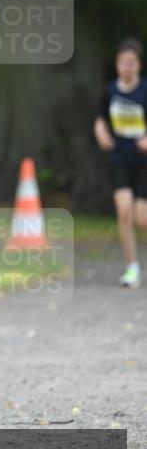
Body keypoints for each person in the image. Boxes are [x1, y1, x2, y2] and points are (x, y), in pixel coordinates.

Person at [94, 37, 147, 288]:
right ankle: (132, 268)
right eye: (122, 62)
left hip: (143, 161)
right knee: (124, 213)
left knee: (141, 219)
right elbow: (100, 119)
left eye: (131, 62)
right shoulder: (110, 92)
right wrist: (102, 133)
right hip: (120, 159)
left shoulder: (145, 90)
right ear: (117, 65)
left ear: (138, 65)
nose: (126, 67)